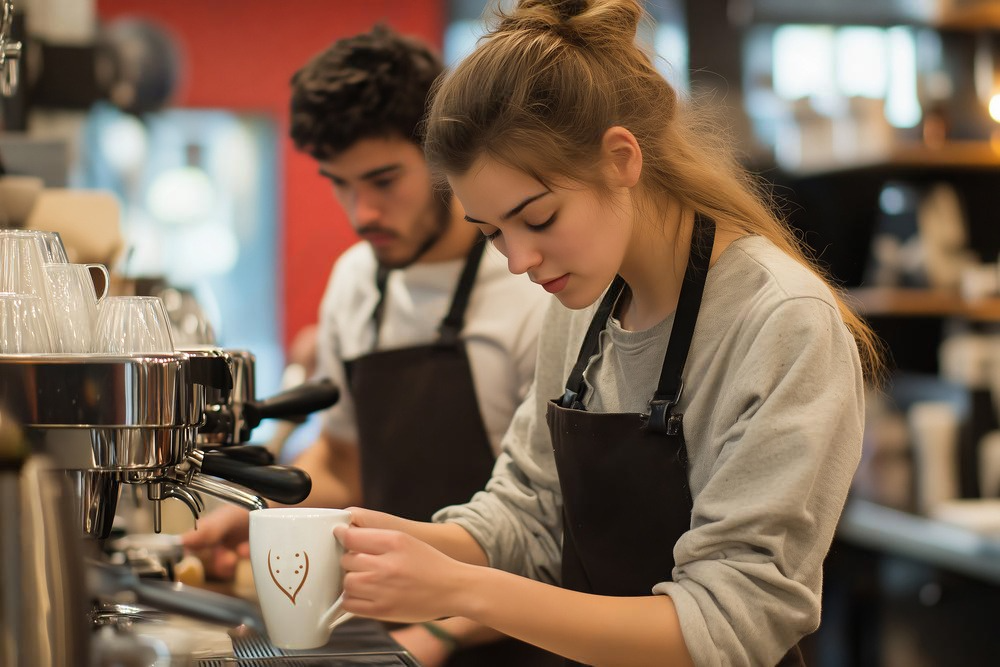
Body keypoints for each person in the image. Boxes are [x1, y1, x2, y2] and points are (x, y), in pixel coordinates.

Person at [329, 1, 884, 665]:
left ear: (621, 157)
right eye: (493, 233)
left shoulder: (781, 321)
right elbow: (528, 511)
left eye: (537, 217)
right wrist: (376, 544)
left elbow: (731, 618)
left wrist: (462, 589)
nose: (519, 260)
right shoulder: (579, 308)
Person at [181, 25, 557, 667]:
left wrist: (444, 632)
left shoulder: (536, 284)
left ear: (443, 154)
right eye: (341, 184)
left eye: (384, 181)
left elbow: (549, 524)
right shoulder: (356, 281)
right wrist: (267, 519)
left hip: (518, 635)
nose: (362, 214)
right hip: (390, 623)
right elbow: (346, 463)